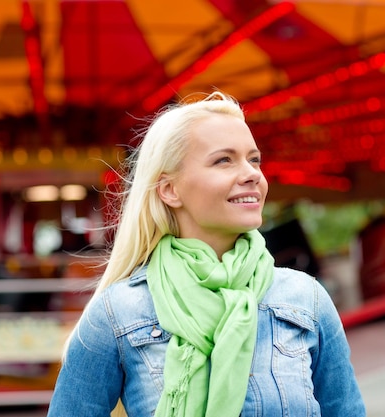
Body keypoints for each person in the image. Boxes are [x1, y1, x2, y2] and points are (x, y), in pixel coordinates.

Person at [46, 91, 366, 417]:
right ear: (170, 190)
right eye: (223, 160)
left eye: (254, 159)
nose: (252, 173)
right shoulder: (117, 314)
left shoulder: (305, 300)